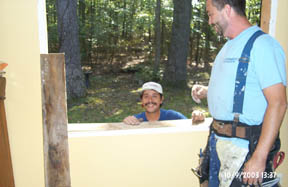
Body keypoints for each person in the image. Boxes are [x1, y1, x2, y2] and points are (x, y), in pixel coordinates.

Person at [191, 0, 287, 187]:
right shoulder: (228, 47)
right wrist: (208, 92)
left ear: (227, 10)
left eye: (211, 14)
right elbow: (243, 89)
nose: (210, 21)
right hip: (219, 145)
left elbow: (279, 103)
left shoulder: (263, 46)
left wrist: (260, 157)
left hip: (245, 151)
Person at [123, 81, 188, 125]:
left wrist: (197, 118)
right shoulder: (136, 120)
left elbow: (191, 125)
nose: (150, 100)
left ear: (161, 99)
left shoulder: (172, 116)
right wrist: (127, 122)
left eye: (154, 96)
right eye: (146, 96)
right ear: (142, 101)